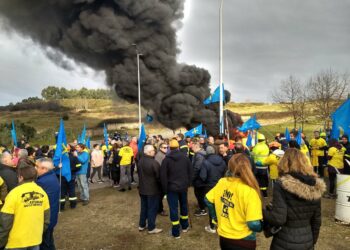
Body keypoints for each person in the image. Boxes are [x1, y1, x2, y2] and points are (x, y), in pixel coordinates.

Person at [263, 148, 325, 250]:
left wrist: (262, 212)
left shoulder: (281, 184)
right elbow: (316, 220)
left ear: (284, 162)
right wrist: (312, 242)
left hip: (284, 241)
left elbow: (279, 218)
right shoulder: (316, 186)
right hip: (307, 240)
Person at [205, 154, 263, 250]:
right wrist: (263, 226)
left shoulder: (222, 182)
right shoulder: (249, 191)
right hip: (243, 239)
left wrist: (215, 217)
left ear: (230, 167)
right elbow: (253, 224)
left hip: (224, 238)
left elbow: (207, 200)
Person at [0, 162, 50, 250]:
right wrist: (38, 233)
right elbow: (46, 219)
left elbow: (5, 222)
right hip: (35, 239)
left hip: (15, 242)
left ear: (21, 177)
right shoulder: (42, 192)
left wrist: (1, 241)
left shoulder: (14, 193)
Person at [160, 139, 193, 239]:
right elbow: (190, 172)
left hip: (171, 188)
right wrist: (188, 184)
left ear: (170, 148)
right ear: (178, 147)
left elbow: (163, 176)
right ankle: (184, 226)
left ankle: (176, 232)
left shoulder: (166, 160)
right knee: (183, 206)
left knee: (173, 208)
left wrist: (165, 190)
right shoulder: (185, 158)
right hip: (183, 187)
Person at [200, 145, 227, 233]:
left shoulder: (205, 162)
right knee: (222, 206)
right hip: (221, 186)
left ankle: (212, 227)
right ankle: (221, 224)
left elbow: (203, 177)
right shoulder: (222, 161)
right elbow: (225, 173)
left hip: (209, 187)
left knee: (212, 207)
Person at [137, 145, 163, 234]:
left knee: (144, 207)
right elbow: (159, 177)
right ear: (148, 152)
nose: (154, 152)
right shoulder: (154, 163)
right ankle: (151, 227)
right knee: (152, 208)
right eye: (152, 151)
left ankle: (142, 225)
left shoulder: (140, 161)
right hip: (152, 190)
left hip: (142, 189)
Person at [36, 158, 60, 250]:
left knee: (45, 244)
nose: (35, 169)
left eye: (37, 167)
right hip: (51, 217)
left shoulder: (42, 182)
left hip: (46, 219)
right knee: (49, 241)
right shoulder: (51, 176)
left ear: (44, 169)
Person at [60, 144, 79, 210]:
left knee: (62, 192)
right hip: (71, 176)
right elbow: (79, 166)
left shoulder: (60, 158)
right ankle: (73, 205)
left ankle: (62, 207)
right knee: (71, 190)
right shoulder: (73, 157)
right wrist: (72, 170)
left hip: (63, 177)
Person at [191, 141, 207, 217]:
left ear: (196, 146)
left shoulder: (199, 155)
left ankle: (202, 209)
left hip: (199, 179)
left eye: (192, 147)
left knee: (199, 194)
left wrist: (192, 178)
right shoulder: (199, 154)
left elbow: (197, 168)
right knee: (200, 194)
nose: (191, 148)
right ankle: (202, 206)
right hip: (200, 178)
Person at [252, 133, 270, 197]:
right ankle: (265, 194)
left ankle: (257, 192)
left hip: (257, 166)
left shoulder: (256, 147)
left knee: (257, 179)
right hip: (265, 166)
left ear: (258, 140)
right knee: (264, 179)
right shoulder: (266, 146)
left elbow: (253, 155)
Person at [154, 142, 168, 216]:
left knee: (160, 195)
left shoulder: (162, 155)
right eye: (164, 147)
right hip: (160, 179)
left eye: (167, 147)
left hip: (161, 178)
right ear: (160, 148)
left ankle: (159, 209)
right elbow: (159, 168)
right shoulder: (160, 156)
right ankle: (159, 209)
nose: (166, 149)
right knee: (160, 195)